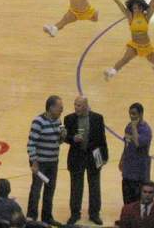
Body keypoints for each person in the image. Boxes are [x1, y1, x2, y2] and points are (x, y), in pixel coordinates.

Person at [102, 0, 154, 79]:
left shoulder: (146, 16)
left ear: (142, 8)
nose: (136, 10)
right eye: (134, 8)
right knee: (125, 59)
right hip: (134, 45)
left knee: (152, 60)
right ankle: (112, 72)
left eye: (138, 8)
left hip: (146, 45)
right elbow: (118, 3)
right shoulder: (130, 16)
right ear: (131, 9)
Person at [64, 96, 108, 225]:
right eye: (75, 104)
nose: (76, 107)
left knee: (95, 186)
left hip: (94, 156)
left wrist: (104, 157)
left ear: (85, 106)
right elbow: (64, 137)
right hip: (76, 156)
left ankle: (94, 214)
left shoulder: (98, 118)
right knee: (76, 187)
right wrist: (73, 139)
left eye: (79, 105)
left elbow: (102, 139)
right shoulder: (69, 119)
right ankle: (74, 214)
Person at [26, 95, 65, 226]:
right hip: (41, 163)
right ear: (51, 107)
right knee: (36, 190)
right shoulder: (38, 121)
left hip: (53, 162)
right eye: (60, 108)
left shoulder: (58, 121)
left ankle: (47, 217)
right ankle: (31, 218)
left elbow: (58, 141)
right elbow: (31, 144)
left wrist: (62, 137)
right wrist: (34, 162)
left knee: (50, 189)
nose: (62, 110)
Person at [120, 102, 152, 205]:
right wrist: (122, 159)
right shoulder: (128, 127)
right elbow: (126, 144)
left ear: (141, 114)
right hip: (128, 167)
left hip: (139, 170)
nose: (131, 116)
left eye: (134, 114)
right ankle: (127, 219)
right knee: (126, 196)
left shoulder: (146, 130)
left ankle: (138, 220)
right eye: (130, 113)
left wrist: (134, 127)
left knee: (138, 199)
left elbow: (138, 143)